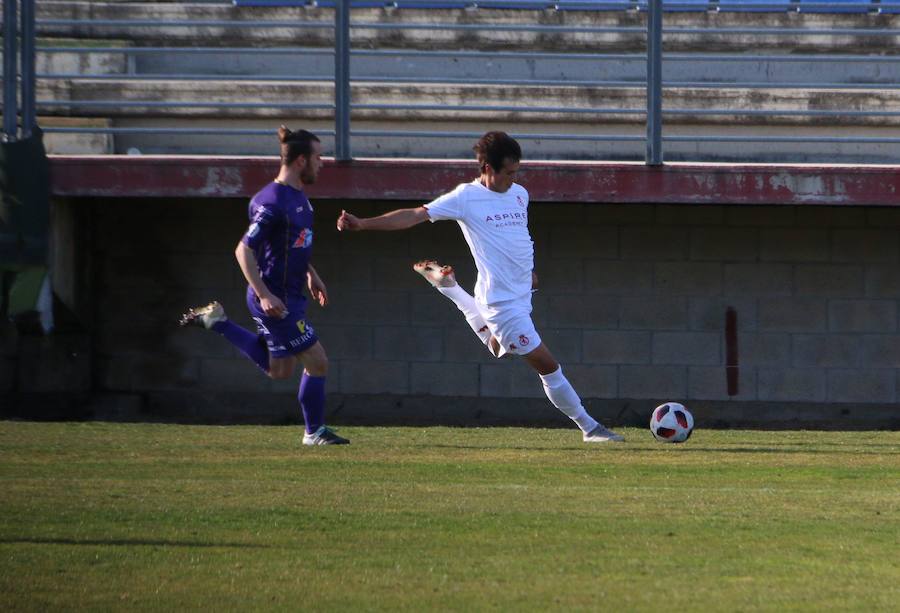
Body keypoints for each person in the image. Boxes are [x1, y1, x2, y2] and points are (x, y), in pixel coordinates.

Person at [336, 131, 624, 443]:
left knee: (500, 348)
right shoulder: (465, 198)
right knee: (547, 365)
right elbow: (415, 215)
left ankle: (449, 287)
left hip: (521, 293)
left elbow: (516, 237)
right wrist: (363, 223)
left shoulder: (519, 194)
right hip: (500, 303)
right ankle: (590, 428)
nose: (513, 180)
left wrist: (528, 271)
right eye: (508, 173)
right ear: (487, 168)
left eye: (517, 173)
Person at [180, 126, 348, 445]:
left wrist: (310, 272)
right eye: (318, 156)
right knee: (318, 361)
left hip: (290, 295)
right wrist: (264, 294)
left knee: (280, 370)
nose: (322, 162)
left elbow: (286, 244)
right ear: (301, 161)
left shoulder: (296, 197)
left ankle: (217, 323)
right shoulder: (272, 203)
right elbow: (244, 249)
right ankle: (314, 433)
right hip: (276, 301)